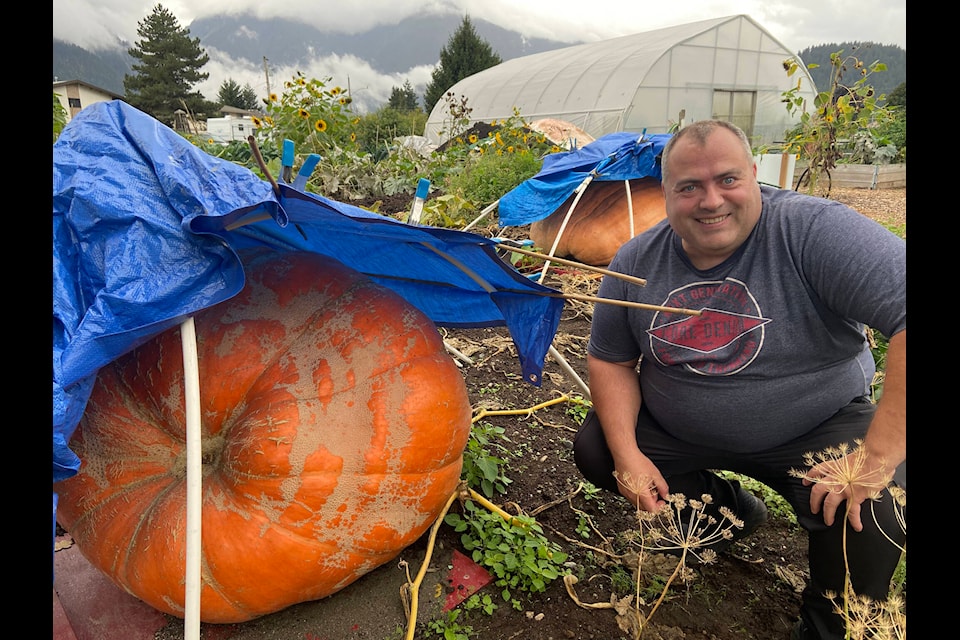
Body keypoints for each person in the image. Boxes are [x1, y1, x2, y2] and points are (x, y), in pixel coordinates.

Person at [572, 119, 905, 640]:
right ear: (665, 194)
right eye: (689, 187)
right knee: (599, 448)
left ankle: (828, 626)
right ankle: (725, 515)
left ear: (754, 174)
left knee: (877, 506)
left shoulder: (814, 232)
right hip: (683, 431)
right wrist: (627, 455)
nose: (711, 200)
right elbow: (611, 358)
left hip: (817, 425)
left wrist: (879, 457)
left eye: (727, 179)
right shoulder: (637, 261)